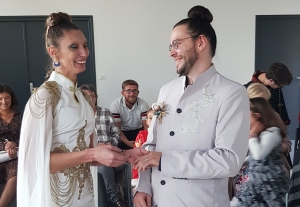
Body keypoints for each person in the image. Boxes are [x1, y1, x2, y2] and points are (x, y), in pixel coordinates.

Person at [17, 12, 147, 207]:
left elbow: (89, 155)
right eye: (74, 47)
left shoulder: (84, 98)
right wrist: (92, 154)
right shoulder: (44, 97)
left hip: (85, 195)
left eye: (85, 45)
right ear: (54, 52)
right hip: (54, 199)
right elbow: (34, 163)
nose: (84, 53)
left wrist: (124, 156)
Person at [133, 5, 249, 207]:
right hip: (159, 200)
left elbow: (229, 160)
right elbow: (152, 144)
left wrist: (164, 161)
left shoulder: (231, 93)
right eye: (170, 46)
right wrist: (144, 186)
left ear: (201, 42)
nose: (172, 52)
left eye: (176, 44)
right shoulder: (166, 91)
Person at [228, 83, 292, 199]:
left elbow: (287, 144)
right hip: (244, 162)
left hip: (270, 164)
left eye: (264, 102)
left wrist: (272, 146)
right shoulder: (237, 118)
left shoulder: (274, 117)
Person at [79, 84, 128, 207]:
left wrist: (108, 144)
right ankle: (115, 198)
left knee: (126, 162)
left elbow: (116, 133)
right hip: (91, 156)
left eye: (93, 96)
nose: (91, 99)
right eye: (87, 97)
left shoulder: (105, 112)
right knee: (103, 164)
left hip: (111, 150)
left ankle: (123, 197)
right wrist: (96, 149)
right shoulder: (78, 116)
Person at [110, 80, 149, 150]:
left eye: (134, 90)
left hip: (138, 131)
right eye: (128, 91)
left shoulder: (143, 104)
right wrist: (128, 142)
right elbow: (117, 129)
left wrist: (144, 139)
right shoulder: (115, 105)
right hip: (122, 132)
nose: (132, 94)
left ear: (138, 92)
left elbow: (146, 126)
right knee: (120, 152)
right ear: (122, 93)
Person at [0, 84, 22, 207]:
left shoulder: (21, 116)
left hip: (16, 155)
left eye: (7, 98)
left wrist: (15, 144)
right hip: (1, 154)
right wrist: (4, 146)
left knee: (15, 170)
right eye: (0, 99)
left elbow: (28, 137)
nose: (4, 102)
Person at [131, 108, 154, 188]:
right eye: (150, 118)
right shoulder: (142, 134)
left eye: (156, 118)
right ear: (146, 121)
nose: (153, 121)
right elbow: (136, 157)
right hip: (143, 169)